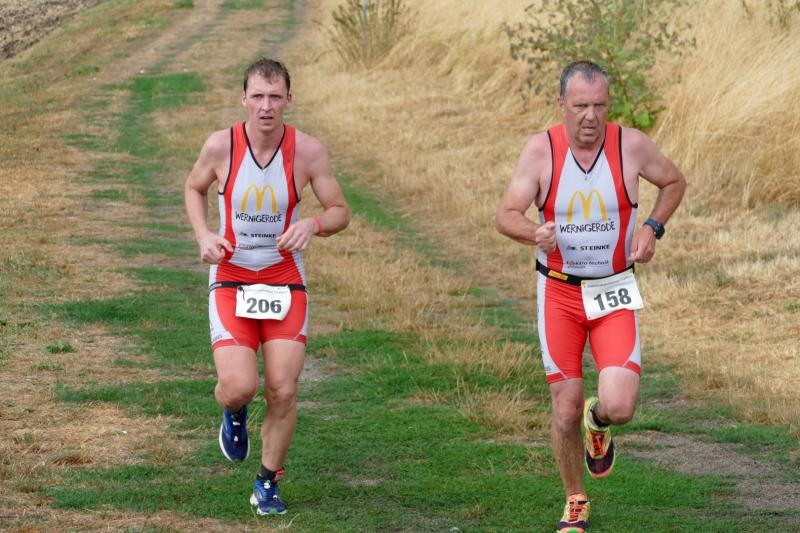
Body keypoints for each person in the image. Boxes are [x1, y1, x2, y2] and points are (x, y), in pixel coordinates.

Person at [495, 61, 686, 533]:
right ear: (562, 104)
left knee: (620, 406)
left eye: (600, 105)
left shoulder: (630, 145)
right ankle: (575, 499)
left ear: (608, 105)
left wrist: (652, 227)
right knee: (564, 408)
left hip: (613, 290)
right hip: (559, 294)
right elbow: (506, 214)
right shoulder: (541, 150)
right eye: (580, 105)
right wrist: (533, 232)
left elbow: (674, 181)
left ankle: (597, 423)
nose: (590, 116)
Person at [184, 58, 349, 516]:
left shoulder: (308, 151)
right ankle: (234, 410)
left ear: (289, 100)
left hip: (284, 281)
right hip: (232, 276)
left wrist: (313, 224)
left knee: (283, 390)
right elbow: (194, 188)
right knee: (239, 386)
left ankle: (267, 483)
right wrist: (203, 235)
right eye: (257, 96)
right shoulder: (220, 146)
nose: (266, 106)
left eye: (275, 97)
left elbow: (340, 210)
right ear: (243, 99)